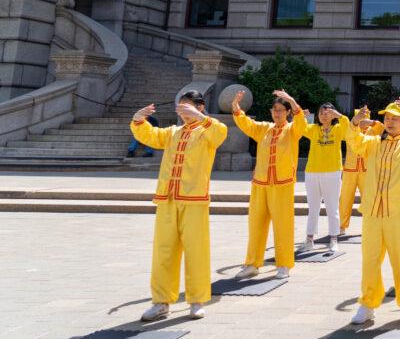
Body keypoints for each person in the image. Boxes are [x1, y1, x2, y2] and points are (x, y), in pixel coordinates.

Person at [131, 90, 228, 321]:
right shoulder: (173, 133)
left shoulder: (208, 131)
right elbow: (151, 136)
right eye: (181, 107)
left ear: (200, 107)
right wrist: (138, 120)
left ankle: (196, 299)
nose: (183, 112)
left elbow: (220, 133)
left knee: (196, 251)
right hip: (167, 199)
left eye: (188, 107)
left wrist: (202, 118)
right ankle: (161, 301)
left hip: (194, 200)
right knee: (163, 252)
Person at [346, 98, 400, 325]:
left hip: (398, 213)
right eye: (387, 118)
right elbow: (353, 140)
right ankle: (368, 304)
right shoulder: (373, 143)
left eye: (395, 118)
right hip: (373, 212)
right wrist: (355, 121)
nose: (390, 121)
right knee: (370, 260)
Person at [232, 89, 306, 279]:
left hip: (282, 184)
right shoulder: (264, 129)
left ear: (288, 112)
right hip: (260, 183)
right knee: (256, 224)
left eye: (281, 110)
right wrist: (236, 107)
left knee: (283, 225)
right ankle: (252, 264)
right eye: (275, 110)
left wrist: (291, 99)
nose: (277, 113)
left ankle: (284, 265)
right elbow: (246, 124)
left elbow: (301, 122)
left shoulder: (292, 130)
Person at [300, 102, 348, 253]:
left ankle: (333, 239)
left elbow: (349, 126)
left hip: (332, 172)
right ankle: (309, 240)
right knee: (312, 208)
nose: (324, 115)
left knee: (332, 207)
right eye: (321, 113)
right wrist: (301, 116)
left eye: (327, 113)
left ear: (333, 114)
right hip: (312, 172)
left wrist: (338, 115)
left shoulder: (339, 129)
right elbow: (299, 128)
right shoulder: (314, 129)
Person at [339, 109, 383, 236]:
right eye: (360, 118)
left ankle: (369, 225)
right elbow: (345, 127)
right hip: (350, 169)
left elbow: (383, 127)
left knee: (368, 198)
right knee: (345, 198)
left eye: (365, 118)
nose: (362, 121)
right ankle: (342, 226)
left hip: (367, 170)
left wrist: (372, 122)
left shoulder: (373, 131)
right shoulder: (351, 130)